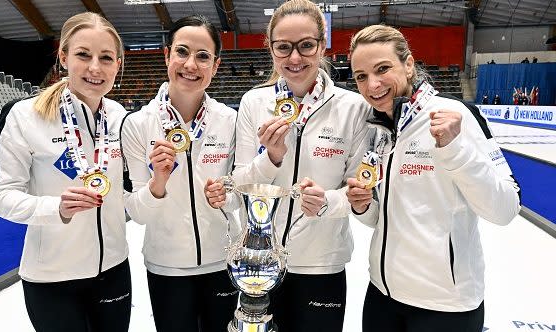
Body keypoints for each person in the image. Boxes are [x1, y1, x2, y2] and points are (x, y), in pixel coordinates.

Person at [206, 0, 371, 330]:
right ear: (271, 49)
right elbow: (240, 183)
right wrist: (272, 158)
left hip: (321, 264)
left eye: (306, 46)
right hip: (257, 262)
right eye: (283, 48)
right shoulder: (255, 101)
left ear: (322, 45)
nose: (295, 58)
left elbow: (358, 192)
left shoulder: (353, 107)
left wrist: (326, 202)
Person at [346, 24, 521, 332]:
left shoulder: (457, 115)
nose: (372, 84)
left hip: (444, 306)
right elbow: (386, 219)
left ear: (409, 64)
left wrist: (456, 150)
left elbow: (505, 209)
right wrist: (362, 207)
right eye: (361, 76)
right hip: (382, 296)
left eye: (382, 69)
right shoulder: (377, 129)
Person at [0, 12, 131, 332]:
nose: (95, 67)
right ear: (63, 57)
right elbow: (3, 196)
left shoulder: (120, 116)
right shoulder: (23, 115)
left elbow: (130, 187)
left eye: (106, 58)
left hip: (113, 270)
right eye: (83, 54)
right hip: (52, 279)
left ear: (117, 65)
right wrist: (57, 208)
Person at [121, 15, 239, 332]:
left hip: (222, 262)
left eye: (203, 56)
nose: (191, 64)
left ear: (215, 66)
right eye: (182, 52)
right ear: (167, 56)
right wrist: (158, 183)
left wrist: (228, 196)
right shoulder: (137, 124)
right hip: (167, 267)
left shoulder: (230, 121)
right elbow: (136, 211)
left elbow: (240, 194)